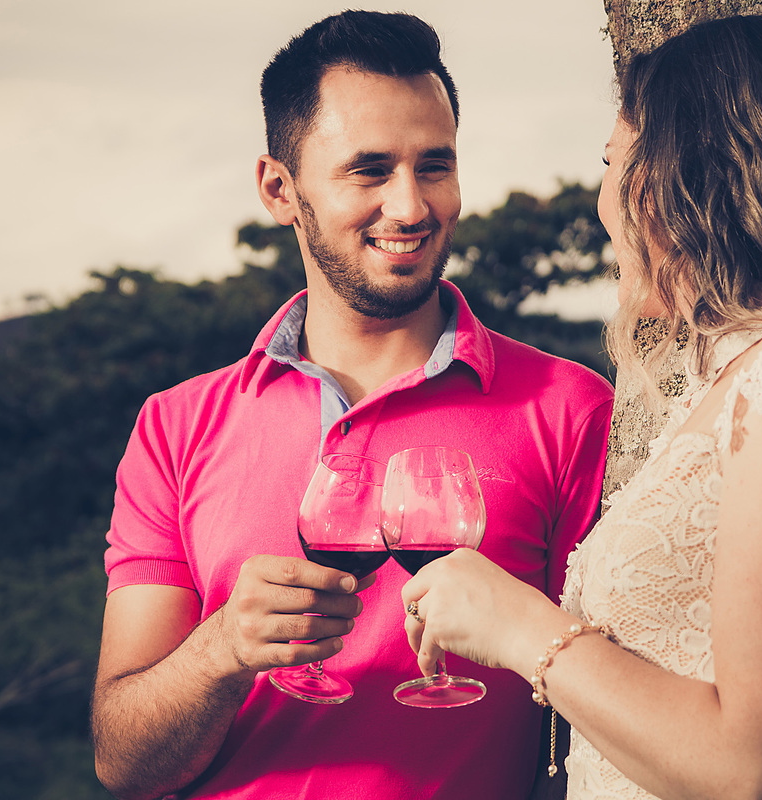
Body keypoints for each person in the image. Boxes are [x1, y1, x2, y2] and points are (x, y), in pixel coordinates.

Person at [401, 15, 762, 800]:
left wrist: (517, 625)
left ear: (683, 176)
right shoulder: (742, 378)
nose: (603, 202)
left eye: (613, 161)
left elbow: (757, 769)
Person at [89, 11, 614, 800]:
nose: (410, 206)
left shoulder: (570, 411)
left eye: (434, 166)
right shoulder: (175, 426)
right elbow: (123, 764)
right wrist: (223, 647)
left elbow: (608, 714)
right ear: (280, 190)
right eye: (369, 171)